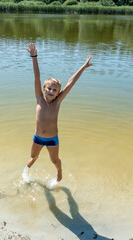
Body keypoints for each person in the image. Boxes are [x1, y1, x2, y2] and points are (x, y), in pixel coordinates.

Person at [24, 43, 92, 183]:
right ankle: (32, 163)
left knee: (54, 160)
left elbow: (71, 83)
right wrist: (34, 57)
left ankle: (59, 170)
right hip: (38, 138)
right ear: (44, 89)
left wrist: (83, 67)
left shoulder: (57, 102)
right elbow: (37, 77)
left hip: (52, 139)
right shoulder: (39, 99)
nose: (51, 91)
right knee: (33, 157)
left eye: (55, 90)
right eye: (49, 88)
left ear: (57, 93)